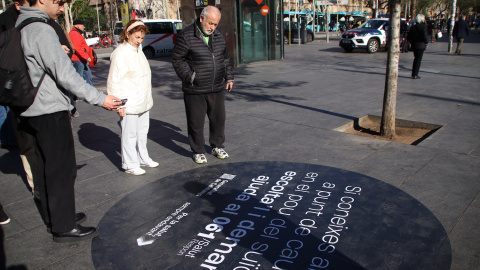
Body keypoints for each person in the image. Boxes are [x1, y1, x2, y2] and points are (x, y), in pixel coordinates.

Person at [16, 0, 121, 242]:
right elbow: (64, 75)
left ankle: (59, 216)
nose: (62, 7)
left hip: (28, 108)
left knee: (44, 167)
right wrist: (99, 98)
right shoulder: (41, 28)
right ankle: (63, 227)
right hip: (48, 109)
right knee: (61, 169)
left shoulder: (21, 25)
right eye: (59, 2)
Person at [172, 5, 234, 164]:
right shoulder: (186, 35)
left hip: (217, 87)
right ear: (201, 18)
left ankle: (217, 146)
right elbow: (178, 60)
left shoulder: (218, 35)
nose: (213, 27)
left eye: (215, 24)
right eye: (210, 23)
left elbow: (225, 58)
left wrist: (229, 77)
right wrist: (190, 77)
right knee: (196, 122)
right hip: (195, 89)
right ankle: (198, 150)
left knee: (219, 120)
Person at [107, 20, 158, 176]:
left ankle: (143, 157)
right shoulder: (120, 53)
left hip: (143, 100)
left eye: (142, 37)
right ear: (127, 34)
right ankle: (130, 164)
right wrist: (119, 104)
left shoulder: (138, 50)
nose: (139, 41)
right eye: (137, 37)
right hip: (129, 102)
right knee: (129, 134)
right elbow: (114, 80)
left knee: (142, 132)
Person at [69, 19, 94, 117]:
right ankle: (76, 96)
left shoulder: (77, 33)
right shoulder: (74, 34)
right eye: (83, 25)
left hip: (80, 60)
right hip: (78, 60)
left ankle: (90, 94)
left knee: (87, 75)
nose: (84, 27)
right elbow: (77, 47)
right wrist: (85, 56)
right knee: (78, 78)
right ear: (78, 25)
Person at [407, 14, 428, 79]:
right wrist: (426, 42)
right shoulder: (423, 26)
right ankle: (415, 74)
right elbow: (425, 36)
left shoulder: (413, 27)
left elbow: (408, 37)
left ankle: (414, 73)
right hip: (421, 45)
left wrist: (412, 42)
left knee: (416, 59)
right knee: (418, 60)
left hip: (414, 45)